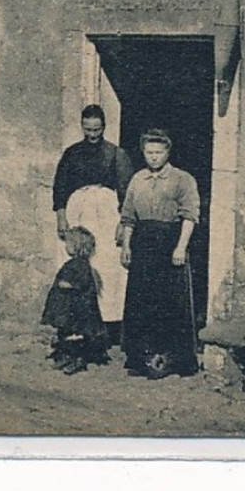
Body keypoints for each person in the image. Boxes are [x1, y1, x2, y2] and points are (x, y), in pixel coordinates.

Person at [119, 128, 201, 378]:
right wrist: (126, 246)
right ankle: (141, 357)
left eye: (158, 152)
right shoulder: (137, 180)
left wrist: (180, 246)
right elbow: (128, 217)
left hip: (169, 243)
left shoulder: (182, 179)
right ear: (143, 152)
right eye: (149, 152)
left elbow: (190, 216)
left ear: (168, 152)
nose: (153, 157)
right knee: (143, 299)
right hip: (143, 244)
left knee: (169, 302)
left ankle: (171, 359)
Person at [52, 105, 134, 345]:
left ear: (104, 127)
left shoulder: (116, 155)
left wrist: (123, 223)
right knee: (75, 266)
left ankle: (106, 327)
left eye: (96, 129)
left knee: (106, 268)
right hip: (78, 214)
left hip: (107, 216)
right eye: (88, 129)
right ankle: (74, 323)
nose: (92, 135)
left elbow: (127, 193)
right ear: (82, 126)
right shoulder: (72, 153)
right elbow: (60, 187)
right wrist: (61, 216)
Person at [40, 225, 108, 374]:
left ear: (77, 246)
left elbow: (82, 282)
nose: (66, 247)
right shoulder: (74, 263)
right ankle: (65, 355)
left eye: (69, 243)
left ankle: (77, 359)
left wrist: (67, 284)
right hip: (68, 306)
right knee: (66, 331)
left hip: (77, 308)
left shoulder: (80, 265)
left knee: (75, 334)